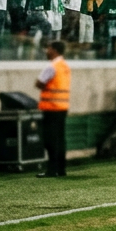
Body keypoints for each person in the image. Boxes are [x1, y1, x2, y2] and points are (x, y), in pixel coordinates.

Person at [35, 40, 71, 177]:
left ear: (54, 50)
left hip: (51, 108)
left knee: (50, 140)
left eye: (48, 48)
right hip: (62, 106)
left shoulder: (52, 66)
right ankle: (61, 169)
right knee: (60, 140)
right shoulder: (65, 66)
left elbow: (39, 83)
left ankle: (51, 169)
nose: (46, 51)